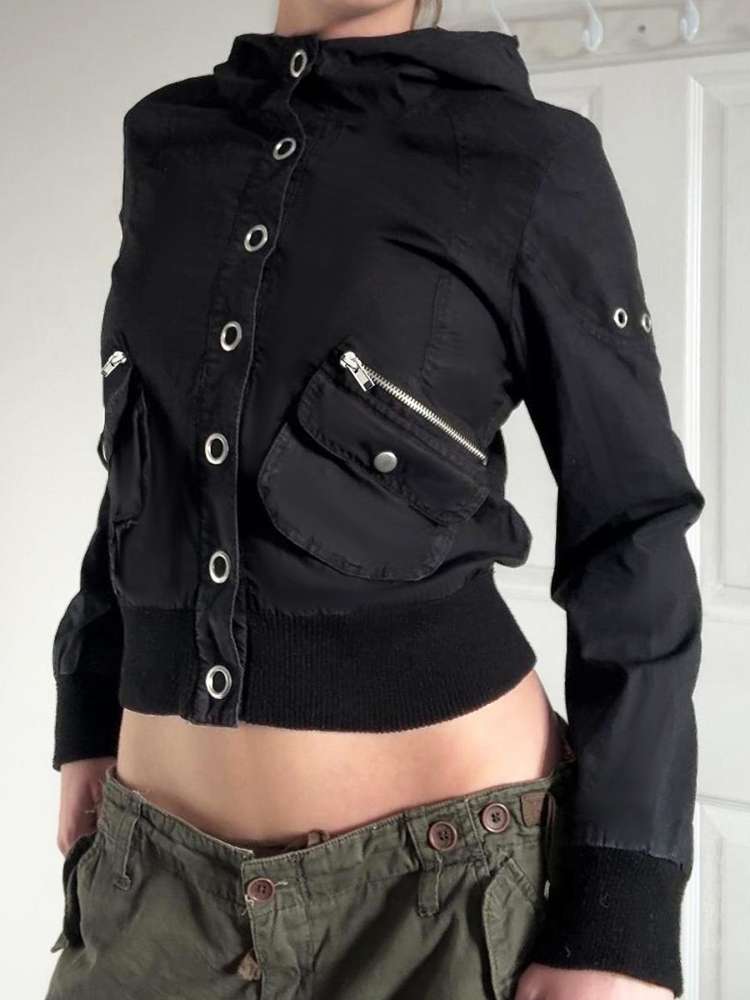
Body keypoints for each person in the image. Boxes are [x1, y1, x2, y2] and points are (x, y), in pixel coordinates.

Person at [46, 2, 705, 999]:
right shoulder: (168, 139)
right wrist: (90, 709)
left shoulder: (530, 158)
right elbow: (147, 453)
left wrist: (623, 919)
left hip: (443, 899)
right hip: (152, 881)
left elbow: (634, 528)